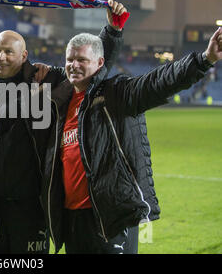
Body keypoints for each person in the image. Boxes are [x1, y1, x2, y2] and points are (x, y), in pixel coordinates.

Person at [0, 0, 127, 254]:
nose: (1, 57)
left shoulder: (46, 88)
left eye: (9, 51)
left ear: (24, 56)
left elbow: (88, 67)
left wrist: (111, 32)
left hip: (32, 213)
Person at [42, 26, 222, 254]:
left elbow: (159, 81)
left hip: (110, 216)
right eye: (70, 59)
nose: (74, 65)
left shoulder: (116, 93)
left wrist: (205, 59)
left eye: (81, 59)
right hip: (73, 219)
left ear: (99, 64)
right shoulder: (62, 103)